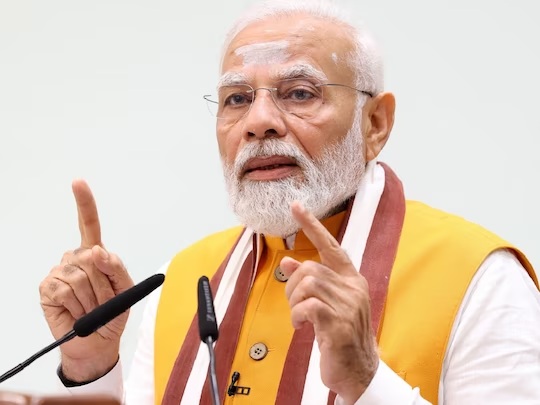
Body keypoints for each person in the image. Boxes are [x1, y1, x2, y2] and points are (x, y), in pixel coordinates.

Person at [38, 0, 540, 404]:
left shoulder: (478, 278)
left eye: (299, 93)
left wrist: (367, 382)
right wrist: (91, 366)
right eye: (237, 99)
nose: (259, 122)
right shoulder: (186, 279)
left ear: (374, 124)